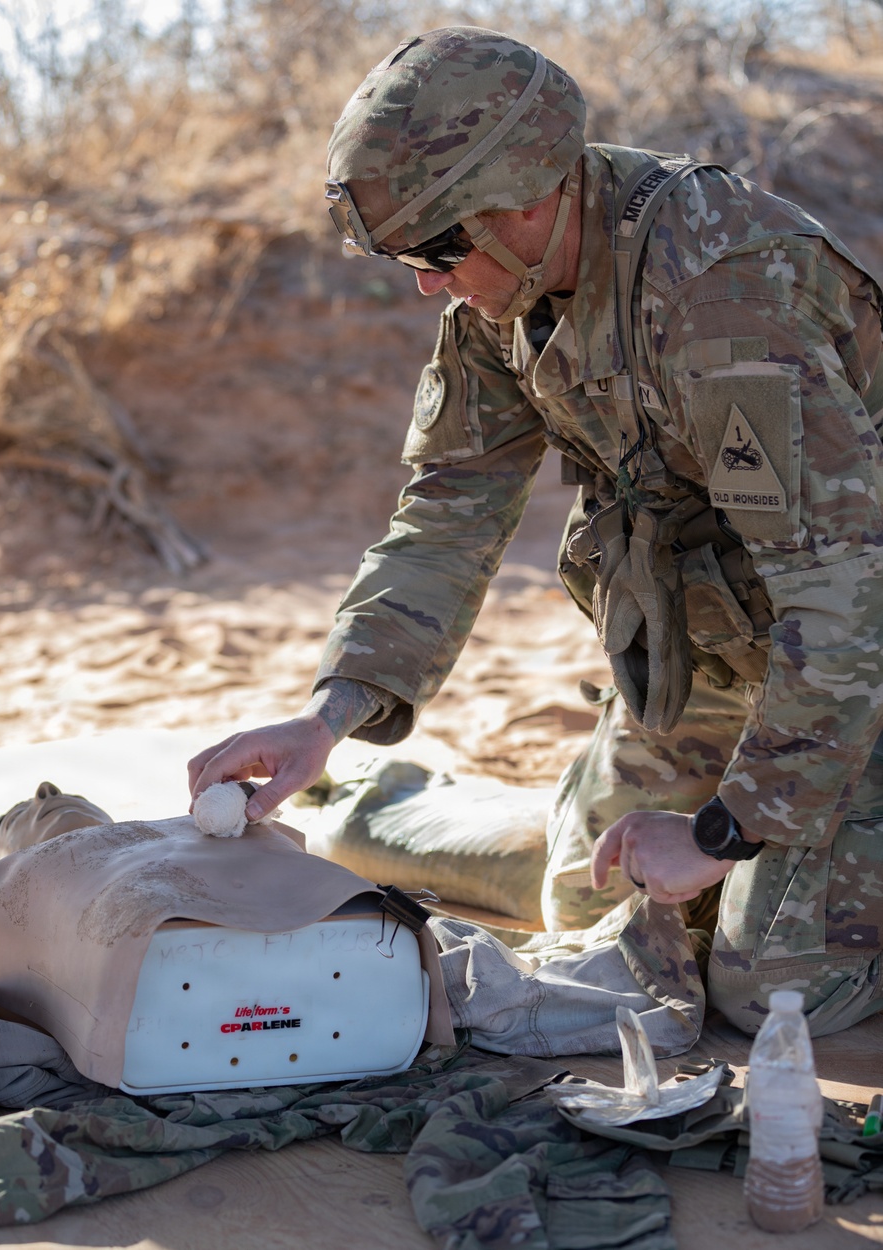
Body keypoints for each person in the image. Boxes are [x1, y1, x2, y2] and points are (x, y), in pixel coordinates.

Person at [188, 25, 883, 1040]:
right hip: (732, 656)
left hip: (852, 652)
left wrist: (730, 827)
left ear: (522, 194)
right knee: (587, 902)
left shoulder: (725, 300)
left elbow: (842, 593)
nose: (426, 283)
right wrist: (330, 712)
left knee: (771, 984)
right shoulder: (501, 298)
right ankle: (428, 797)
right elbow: (445, 513)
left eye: (434, 250)